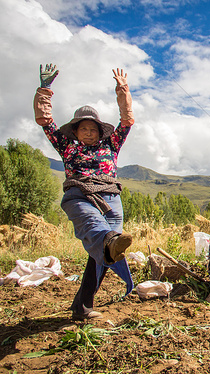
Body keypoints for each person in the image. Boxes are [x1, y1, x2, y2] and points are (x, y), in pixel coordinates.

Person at [33, 64, 135, 320]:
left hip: (111, 198)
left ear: (100, 132)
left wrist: (122, 90)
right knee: (100, 233)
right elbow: (45, 121)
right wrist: (45, 90)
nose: (88, 133)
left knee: (104, 254)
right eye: (83, 129)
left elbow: (127, 120)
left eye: (93, 129)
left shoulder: (112, 143)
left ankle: (82, 307)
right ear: (75, 131)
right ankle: (110, 240)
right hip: (79, 195)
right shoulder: (66, 145)